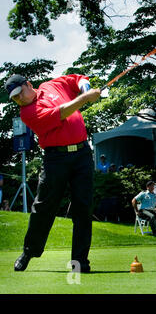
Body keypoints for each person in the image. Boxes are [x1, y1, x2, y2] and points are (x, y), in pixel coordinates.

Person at [6, 73, 101, 272]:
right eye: (14, 98)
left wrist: (85, 89)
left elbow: (78, 79)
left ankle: (80, 262)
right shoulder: (27, 113)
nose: (19, 99)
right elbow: (61, 113)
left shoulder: (51, 85)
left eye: (19, 93)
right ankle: (29, 251)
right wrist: (85, 98)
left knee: (83, 208)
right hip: (56, 159)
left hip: (82, 154)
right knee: (43, 207)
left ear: (28, 84)